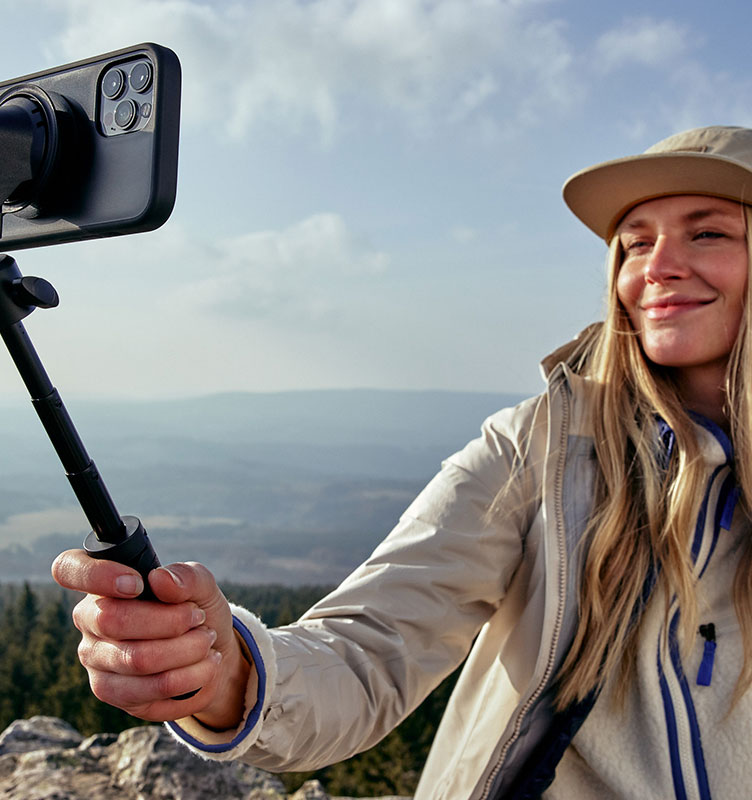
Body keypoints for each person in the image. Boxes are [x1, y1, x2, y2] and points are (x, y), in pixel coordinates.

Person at [52, 125, 752, 799]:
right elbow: (372, 647)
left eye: (709, 232)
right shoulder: (541, 447)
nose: (656, 267)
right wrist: (222, 670)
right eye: (634, 244)